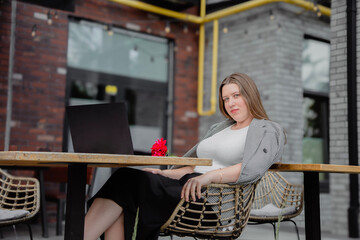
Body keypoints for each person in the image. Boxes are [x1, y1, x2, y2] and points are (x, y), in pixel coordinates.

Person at [84, 72, 286, 240]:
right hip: (187, 187)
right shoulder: (220, 128)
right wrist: (163, 175)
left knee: (126, 182)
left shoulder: (266, 129)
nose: (230, 103)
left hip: (212, 201)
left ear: (250, 95)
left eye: (236, 95)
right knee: (125, 184)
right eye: (226, 99)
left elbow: (253, 167)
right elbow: (193, 167)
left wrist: (209, 177)